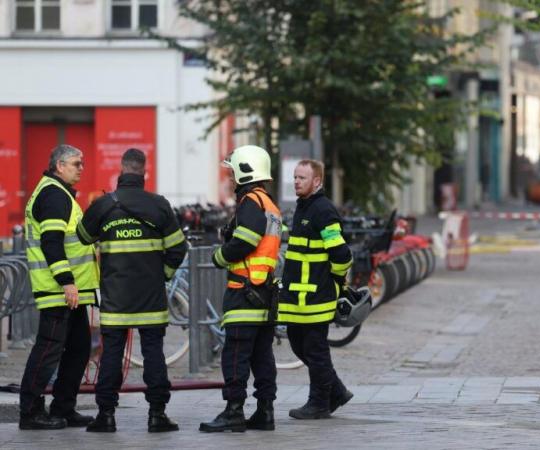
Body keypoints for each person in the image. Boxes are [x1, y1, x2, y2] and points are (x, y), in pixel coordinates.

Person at [76, 148, 187, 432]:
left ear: (121, 171)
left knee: (111, 354)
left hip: (115, 297)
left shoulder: (103, 205)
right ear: (144, 173)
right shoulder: (159, 205)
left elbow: (83, 235)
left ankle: (106, 416)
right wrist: (161, 275)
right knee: (153, 354)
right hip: (151, 297)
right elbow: (178, 247)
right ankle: (157, 415)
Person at [199, 145, 282, 433]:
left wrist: (220, 256)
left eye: (233, 172)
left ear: (246, 171)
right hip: (264, 292)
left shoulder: (250, 202)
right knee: (262, 356)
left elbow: (245, 240)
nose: (231, 178)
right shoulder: (269, 204)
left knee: (235, 353)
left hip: (243, 291)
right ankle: (265, 411)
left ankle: (234, 411)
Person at [19, 145, 100, 430]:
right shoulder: (54, 195)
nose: (81, 168)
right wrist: (67, 282)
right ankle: (30, 412)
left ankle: (63, 408)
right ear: (59, 165)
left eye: (83, 163)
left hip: (70, 291)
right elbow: (51, 243)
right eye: (77, 163)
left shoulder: (60, 193)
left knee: (79, 348)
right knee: (48, 350)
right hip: (59, 290)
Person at [279, 159, 354, 419]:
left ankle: (320, 403)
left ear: (317, 181)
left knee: (315, 351)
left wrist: (333, 281)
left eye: (302, 178)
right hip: (298, 298)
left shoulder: (323, 210)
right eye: (295, 177)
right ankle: (337, 391)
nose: (296, 182)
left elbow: (342, 255)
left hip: (316, 298)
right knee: (300, 347)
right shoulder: (303, 207)